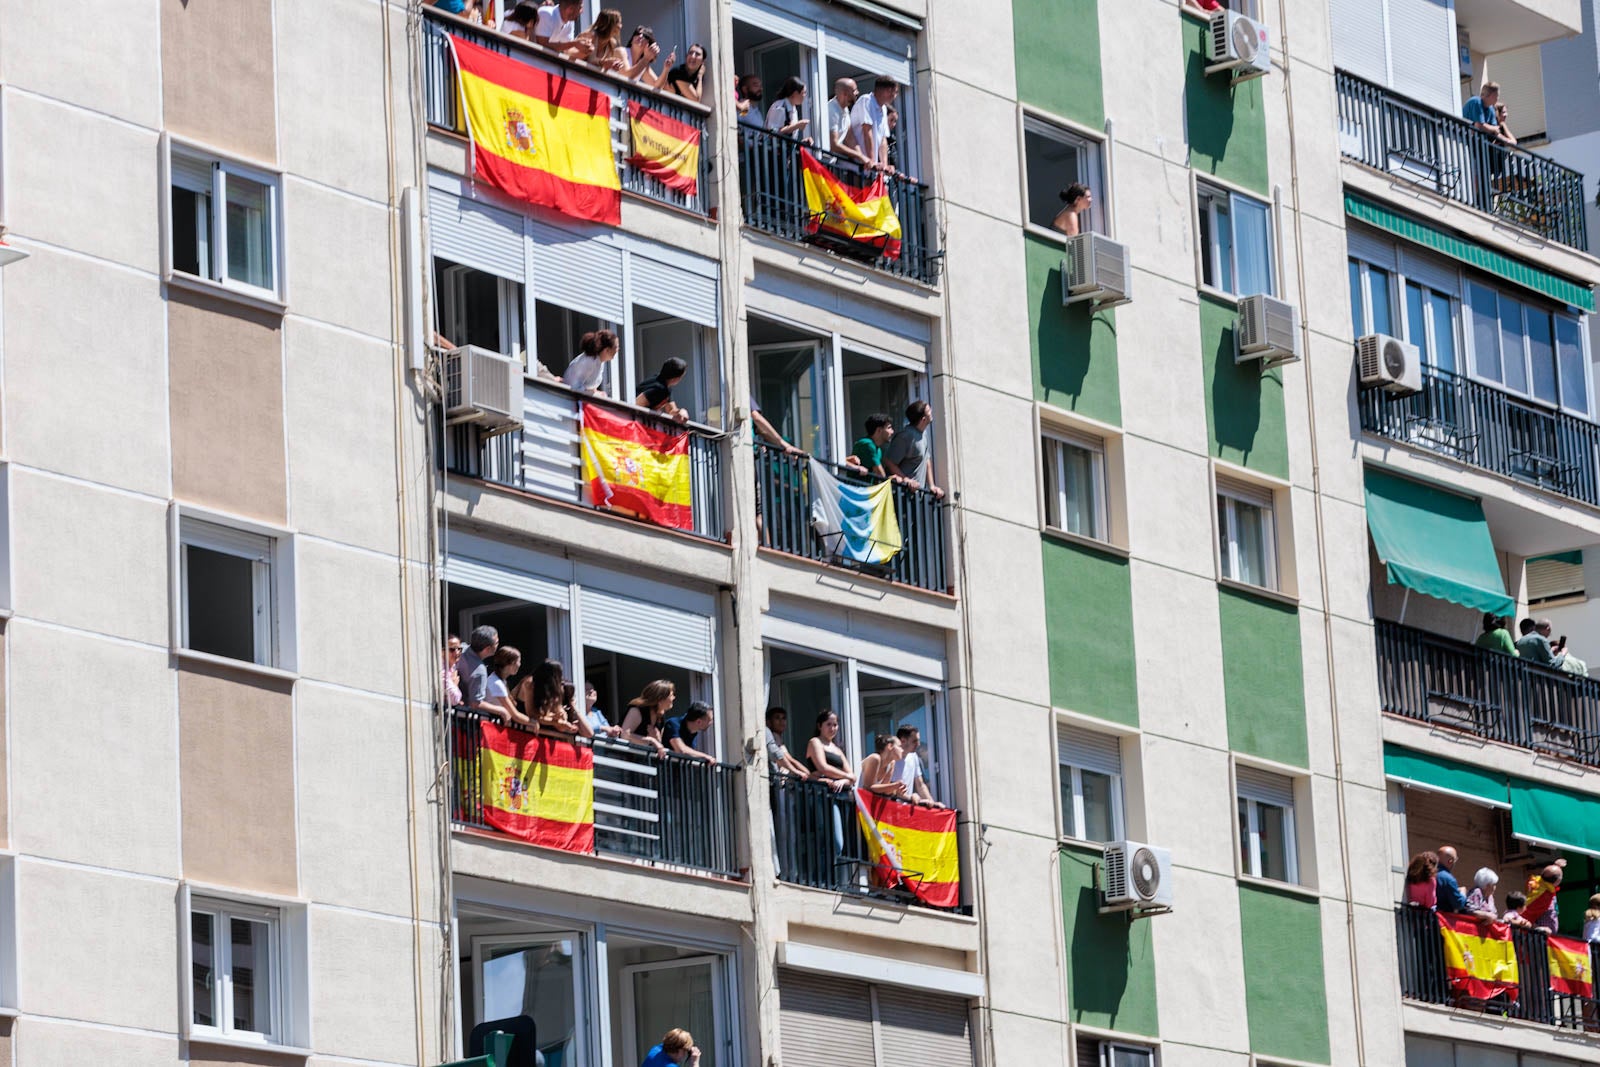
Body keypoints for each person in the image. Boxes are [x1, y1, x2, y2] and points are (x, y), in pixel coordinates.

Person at [883, 400, 944, 498]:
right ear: (923, 419)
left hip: (917, 496)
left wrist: (932, 486)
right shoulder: (905, 436)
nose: (931, 412)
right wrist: (906, 479)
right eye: (929, 411)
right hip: (901, 496)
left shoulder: (923, 434)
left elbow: (926, 460)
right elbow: (889, 462)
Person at [849, 76, 899, 173]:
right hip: (856, 166)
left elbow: (883, 139)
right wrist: (872, 161)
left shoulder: (883, 109)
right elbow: (867, 131)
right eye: (894, 92)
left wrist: (884, 165)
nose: (895, 96)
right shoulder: (866, 100)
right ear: (887, 90)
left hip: (869, 168)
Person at [457, 625, 506, 720]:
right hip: (460, 719)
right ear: (487, 649)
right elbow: (475, 703)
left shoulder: (460, 648)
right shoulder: (479, 671)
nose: (498, 644)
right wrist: (501, 710)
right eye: (497, 642)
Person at [892, 725, 945, 808]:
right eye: (914, 741)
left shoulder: (913, 757)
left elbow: (920, 785)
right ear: (903, 741)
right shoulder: (891, 760)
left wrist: (932, 804)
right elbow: (891, 790)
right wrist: (911, 797)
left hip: (906, 810)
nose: (918, 744)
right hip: (890, 811)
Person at [806, 709, 855, 792]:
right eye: (828, 724)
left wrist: (842, 781)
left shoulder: (837, 750)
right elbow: (823, 768)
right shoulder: (815, 742)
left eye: (835, 725)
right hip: (821, 792)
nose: (832, 728)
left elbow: (853, 777)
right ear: (819, 726)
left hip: (841, 796)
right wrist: (846, 776)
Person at [620, 680, 674, 755]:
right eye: (671, 695)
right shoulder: (637, 710)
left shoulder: (660, 717)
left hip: (642, 759)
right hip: (623, 758)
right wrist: (652, 740)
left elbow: (658, 744)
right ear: (660, 698)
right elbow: (625, 735)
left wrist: (657, 740)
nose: (674, 698)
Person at [827, 78, 869, 165]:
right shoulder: (832, 110)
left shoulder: (845, 110)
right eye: (854, 90)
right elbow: (834, 145)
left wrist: (864, 159)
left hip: (829, 164)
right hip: (819, 163)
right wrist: (859, 156)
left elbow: (850, 138)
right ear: (845, 94)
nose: (857, 92)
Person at [561, 329, 618, 394]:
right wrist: (595, 394)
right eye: (616, 347)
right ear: (606, 350)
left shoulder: (600, 361)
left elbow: (589, 385)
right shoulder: (589, 361)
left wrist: (596, 392)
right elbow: (572, 386)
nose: (618, 349)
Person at [635, 357, 691, 422]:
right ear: (675, 378)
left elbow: (671, 410)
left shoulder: (665, 386)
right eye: (681, 377)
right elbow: (636, 404)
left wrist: (680, 411)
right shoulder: (659, 388)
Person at [1463, 81, 1518, 147]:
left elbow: (1495, 131)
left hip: (1477, 144)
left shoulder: (1491, 108)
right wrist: (1493, 129)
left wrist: (1508, 141)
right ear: (1492, 95)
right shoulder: (1476, 101)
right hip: (1464, 140)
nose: (1498, 98)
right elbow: (1479, 126)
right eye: (1497, 96)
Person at [486, 646, 531, 725]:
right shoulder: (497, 683)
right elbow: (515, 715)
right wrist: (533, 723)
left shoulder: (500, 680)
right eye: (518, 661)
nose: (519, 665)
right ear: (512, 663)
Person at [764, 707, 810, 778]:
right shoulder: (773, 736)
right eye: (777, 718)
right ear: (769, 722)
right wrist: (807, 774)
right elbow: (789, 760)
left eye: (784, 718)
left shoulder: (779, 738)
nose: (781, 721)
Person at [765, 76, 812, 144]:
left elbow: (790, 136)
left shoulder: (793, 109)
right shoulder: (780, 107)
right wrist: (796, 126)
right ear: (795, 93)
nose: (805, 95)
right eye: (803, 92)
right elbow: (771, 134)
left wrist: (803, 142)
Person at [1525, 859, 1568, 932]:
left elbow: (1548, 874)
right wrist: (1537, 928)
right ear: (1557, 881)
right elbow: (1527, 913)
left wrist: (1556, 866)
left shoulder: (1544, 885)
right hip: (1541, 937)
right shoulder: (1542, 895)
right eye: (1561, 877)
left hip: (1548, 935)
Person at [847, 413, 895, 478]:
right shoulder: (868, 444)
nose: (892, 432)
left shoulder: (878, 449)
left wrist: (890, 479)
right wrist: (890, 480)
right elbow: (880, 475)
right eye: (889, 428)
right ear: (879, 430)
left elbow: (879, 478)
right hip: (856, 487)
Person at [579, 9, 627, 74]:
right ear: (610, 24)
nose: (621, 26)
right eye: (619, 23)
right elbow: (583, 59)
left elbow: (602, 69)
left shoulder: (612, 43)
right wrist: (603, 62)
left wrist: (612, 66)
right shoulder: (590, 35)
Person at [1435, 845, 1470, 913]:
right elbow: (1458, 904)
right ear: (1450, 861)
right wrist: (1463, 893)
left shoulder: (1428, 873)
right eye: (1455, 860)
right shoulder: (1448, 879)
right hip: (1442, 919)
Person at [443, 634, 464, 707]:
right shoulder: (442, 671)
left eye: (459, 649)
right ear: (442, 651)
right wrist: (455, 685)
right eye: (452, 649)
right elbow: (454, 699)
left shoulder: (453, 667)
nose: (457, 652)